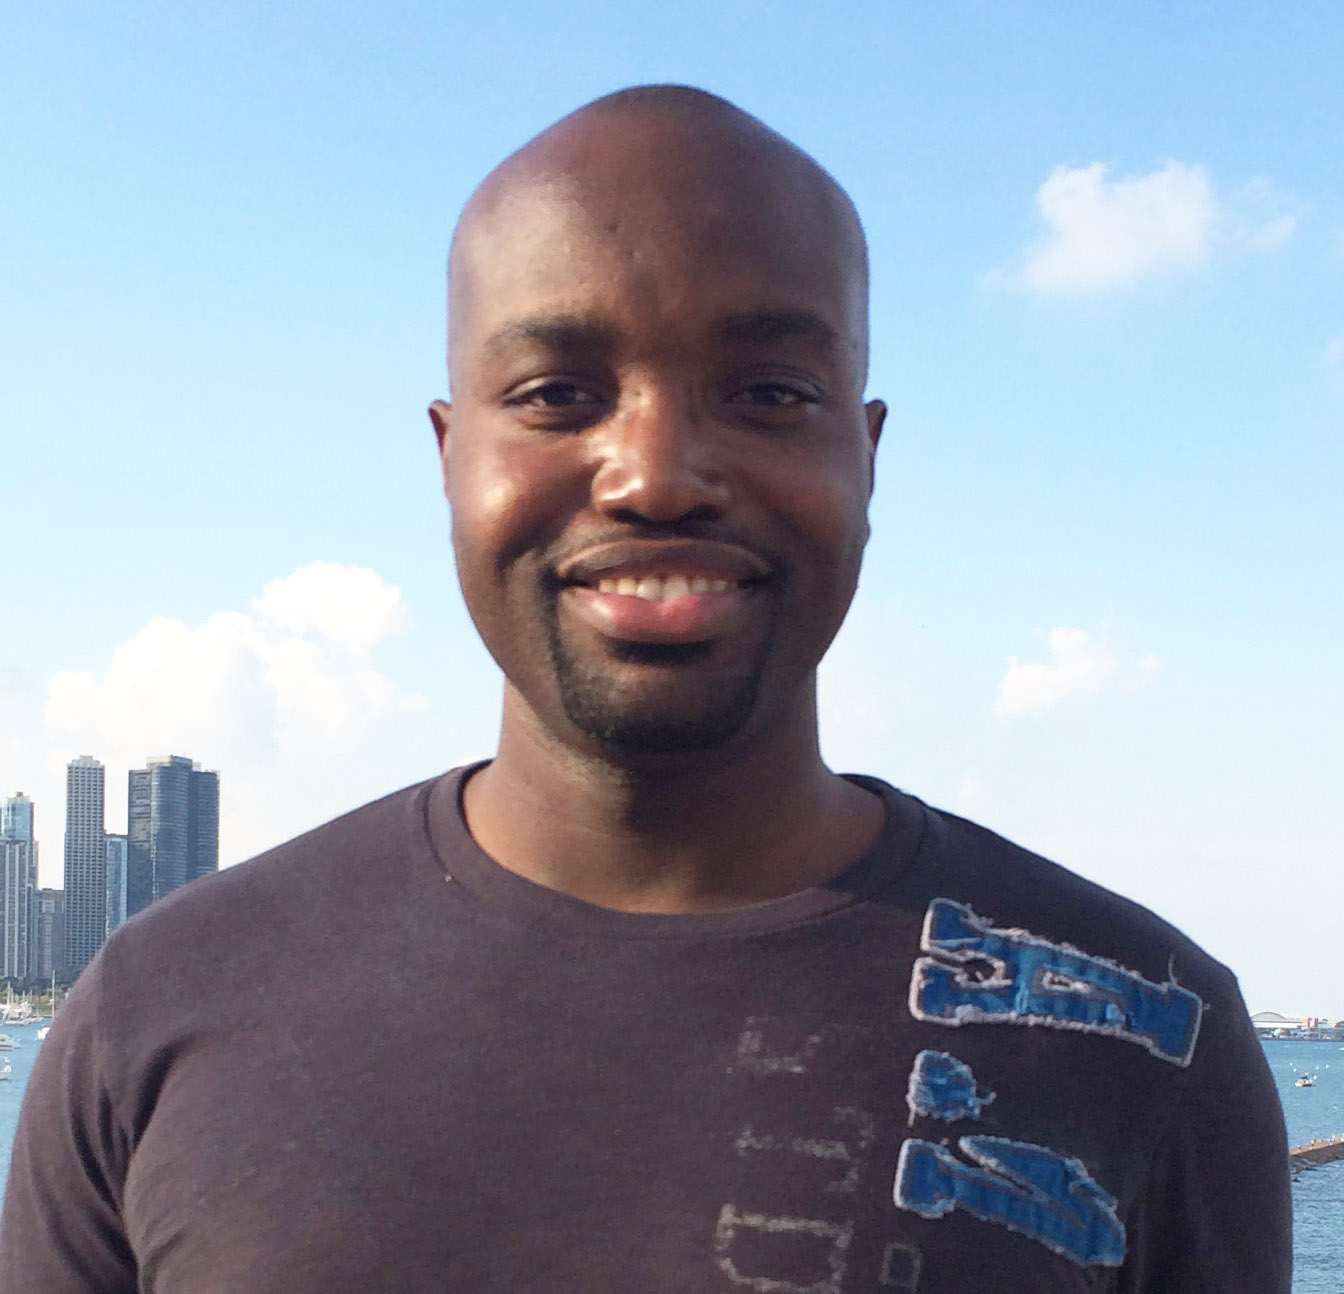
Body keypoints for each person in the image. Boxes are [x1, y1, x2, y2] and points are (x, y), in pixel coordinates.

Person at [1, 86, 1290, 1293]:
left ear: (866, 455)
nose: (655, 474)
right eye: (558, 395)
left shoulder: (1149, 1038)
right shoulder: (156, 1016)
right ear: (452, 457)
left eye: (770, 393)